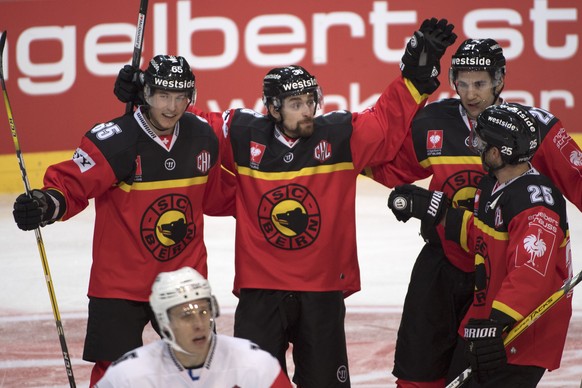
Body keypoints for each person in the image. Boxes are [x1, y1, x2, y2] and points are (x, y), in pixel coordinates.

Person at [111, 17, 457, 387]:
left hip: (322, 289)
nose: (307, 110)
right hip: (261, 291)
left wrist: (415, 77)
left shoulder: (340, 136)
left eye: (310, 101)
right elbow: (185, 118)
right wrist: (143, 97)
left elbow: (385, 121)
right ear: (273, 108)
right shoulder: (242, 133)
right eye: (295, 103)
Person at [364, 38, 582, 387]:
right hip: (445, 261)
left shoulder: (533, 128)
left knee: (486, 371)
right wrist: (343, 159)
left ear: (499, 80)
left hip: (502, 274)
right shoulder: (433, 120)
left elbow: (578, 180)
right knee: (418, 372)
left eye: (479, 83)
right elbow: (389, 167)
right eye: (462, 83)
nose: (470, 93)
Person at [12, 55, 233, 386]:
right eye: (162, 96)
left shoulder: (202, 137)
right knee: (115, 375)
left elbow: (216, 196)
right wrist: (46, 203)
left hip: (183, 279)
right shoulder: (115, 140)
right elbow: (71, 186)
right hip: (119, 283)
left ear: (191, 97)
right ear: (145, 94)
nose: (172, 107)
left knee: (202, 369)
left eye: (180, 97)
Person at [387, 103, 573, 387]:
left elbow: (531, 274)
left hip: (519, 333)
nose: (475, 146)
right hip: (486, 319)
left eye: (480, 141)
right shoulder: (494, 186)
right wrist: (439, 212)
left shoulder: (535, 204)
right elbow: (483, 240)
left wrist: (496, 323)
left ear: (497, 152)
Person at [94, 266, 291, 387]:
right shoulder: (129, 375)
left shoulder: (253, 363)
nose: (198, 324)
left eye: (204, 312)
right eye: (186, 316)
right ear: (165, 322)